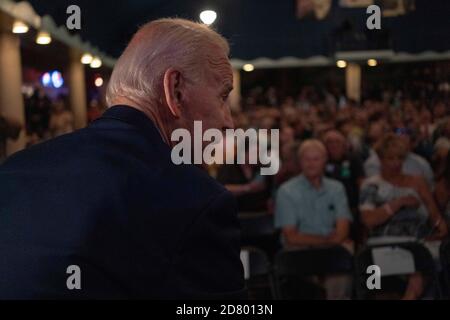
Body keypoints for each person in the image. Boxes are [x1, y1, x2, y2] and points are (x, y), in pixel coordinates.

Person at [0, 18, 245, 299]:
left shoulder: (13, 170)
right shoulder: (198, 201)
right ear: (175, 90)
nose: (229, 123)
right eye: (223, 97)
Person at [359, 134, 448, 299]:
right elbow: (369, 220)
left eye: (400, 158)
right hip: (379, 247)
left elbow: (436, 219)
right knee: (373, 277)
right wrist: (397, 203)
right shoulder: (371, 185)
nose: (396, 163)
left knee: (423, 269)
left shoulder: (418, 182)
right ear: (380, 159)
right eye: (390, 158)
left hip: (415, 245)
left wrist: (438, 228)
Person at [275, 139, 353, 299]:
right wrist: (328, 240)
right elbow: (291, 237)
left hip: (332, 250)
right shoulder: (286, 191)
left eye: (316, 159)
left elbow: (342, 231)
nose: (311, 164)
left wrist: (332, 241)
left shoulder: (337, 188)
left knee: (342, 259)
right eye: (307, 159)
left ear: (325, 160)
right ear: (300, 162)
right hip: (299, 252)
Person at [364, 128, 434, 188]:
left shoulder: (421, 163)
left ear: (413, 143)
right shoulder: (372, 163)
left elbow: (430, 188)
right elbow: (376, 189)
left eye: (406, 136)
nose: (397, 163)